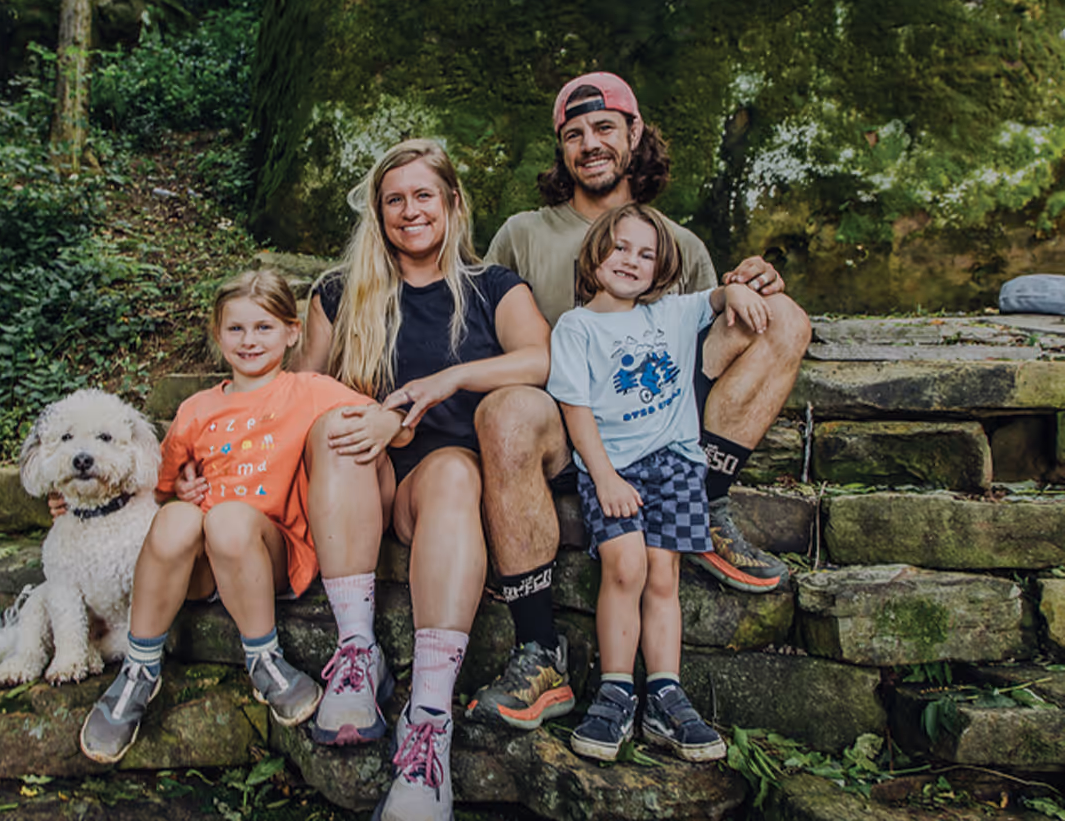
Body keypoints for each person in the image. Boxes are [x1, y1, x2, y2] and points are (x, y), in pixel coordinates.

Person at [293, 138, 554, 821]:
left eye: (423, 195)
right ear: (378, 213)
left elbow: (538, 359)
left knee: (449, 475)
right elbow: (295, 395)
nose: (410, 210)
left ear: (453, 203)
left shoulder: (493, 286)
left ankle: (427, 724)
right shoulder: (335, 293)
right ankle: (357, 653)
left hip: (440, 488)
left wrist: (446, 381)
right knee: (334, 424)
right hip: (359, 481)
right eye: (394, 199)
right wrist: (378, 417)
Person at [482, 71, 812, 603]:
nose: (590, 144)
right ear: (562, 149)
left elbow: (717, 335)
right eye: (574, 134)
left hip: (655, 425)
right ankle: (535, 641)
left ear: (634, 135)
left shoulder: (677, 243)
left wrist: (753, 285)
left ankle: (705, 502)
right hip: (567, 429)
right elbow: (478, 336)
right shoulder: (523, 234)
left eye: (605, 127)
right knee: (509, 409)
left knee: (785, 316)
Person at [78, 269, 390, 764]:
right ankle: (139, 670)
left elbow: (379, 422)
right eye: (236, 329)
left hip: (268, 552)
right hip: (203, 568)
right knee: (178, 519)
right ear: (217, 334)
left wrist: (390, 417)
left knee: (228, 519)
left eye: (264, 328)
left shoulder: (309, 390)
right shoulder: (195, 409)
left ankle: (265, 659)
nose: (249, 341)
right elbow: (156, 488)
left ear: (292, 332)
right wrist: (178, 487)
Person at [550, 203, 761, 763]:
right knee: (625, 567)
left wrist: (735, 289)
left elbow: (716, 300)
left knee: (664, 575)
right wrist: (604, 476)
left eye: (646, 254)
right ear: (594, 253)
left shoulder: (669, 313)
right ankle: (616, 688)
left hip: (675, 464)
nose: (631, 261)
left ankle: (665, 693)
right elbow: (575, 409)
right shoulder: (577, 327)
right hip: (613, 468)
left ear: (662, 268)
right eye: (620, 247)